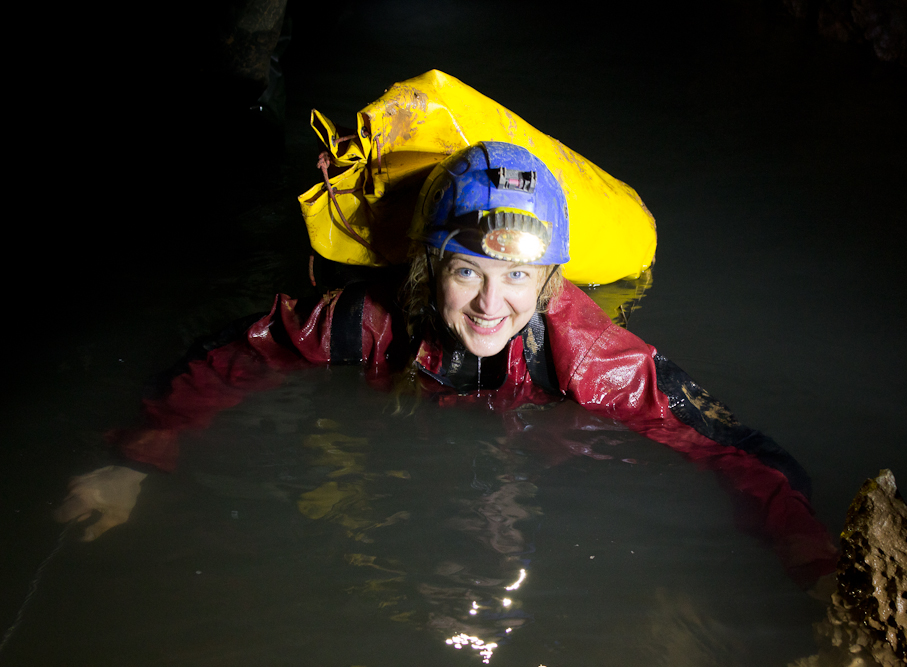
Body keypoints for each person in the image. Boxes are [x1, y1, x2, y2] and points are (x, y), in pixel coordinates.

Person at [56, 141, 838, 588]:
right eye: (469, 272)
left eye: (518, 279)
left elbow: (730, 446)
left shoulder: (588, 355)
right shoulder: (367, 319)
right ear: (430, 269)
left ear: (549, 282)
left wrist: (801, 542)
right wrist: (139, 457)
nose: (491, 305)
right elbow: (236, 356)